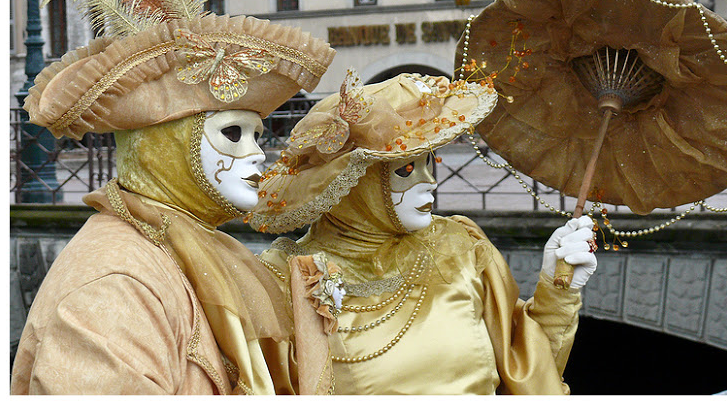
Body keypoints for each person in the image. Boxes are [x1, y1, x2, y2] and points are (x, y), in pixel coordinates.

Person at [11, 0, 335, 395]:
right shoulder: (113, 288)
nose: (258, 153)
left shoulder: (200, 248)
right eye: (232, 133)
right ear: (165, 147)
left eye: (257, 135)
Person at [246, 69, 598, 394]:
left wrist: (558, 287)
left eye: (429, 162)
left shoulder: (459, 247)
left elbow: (530, 376)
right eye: (405, 170)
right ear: (352, 183)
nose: (429, 181)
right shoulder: (282, 280)